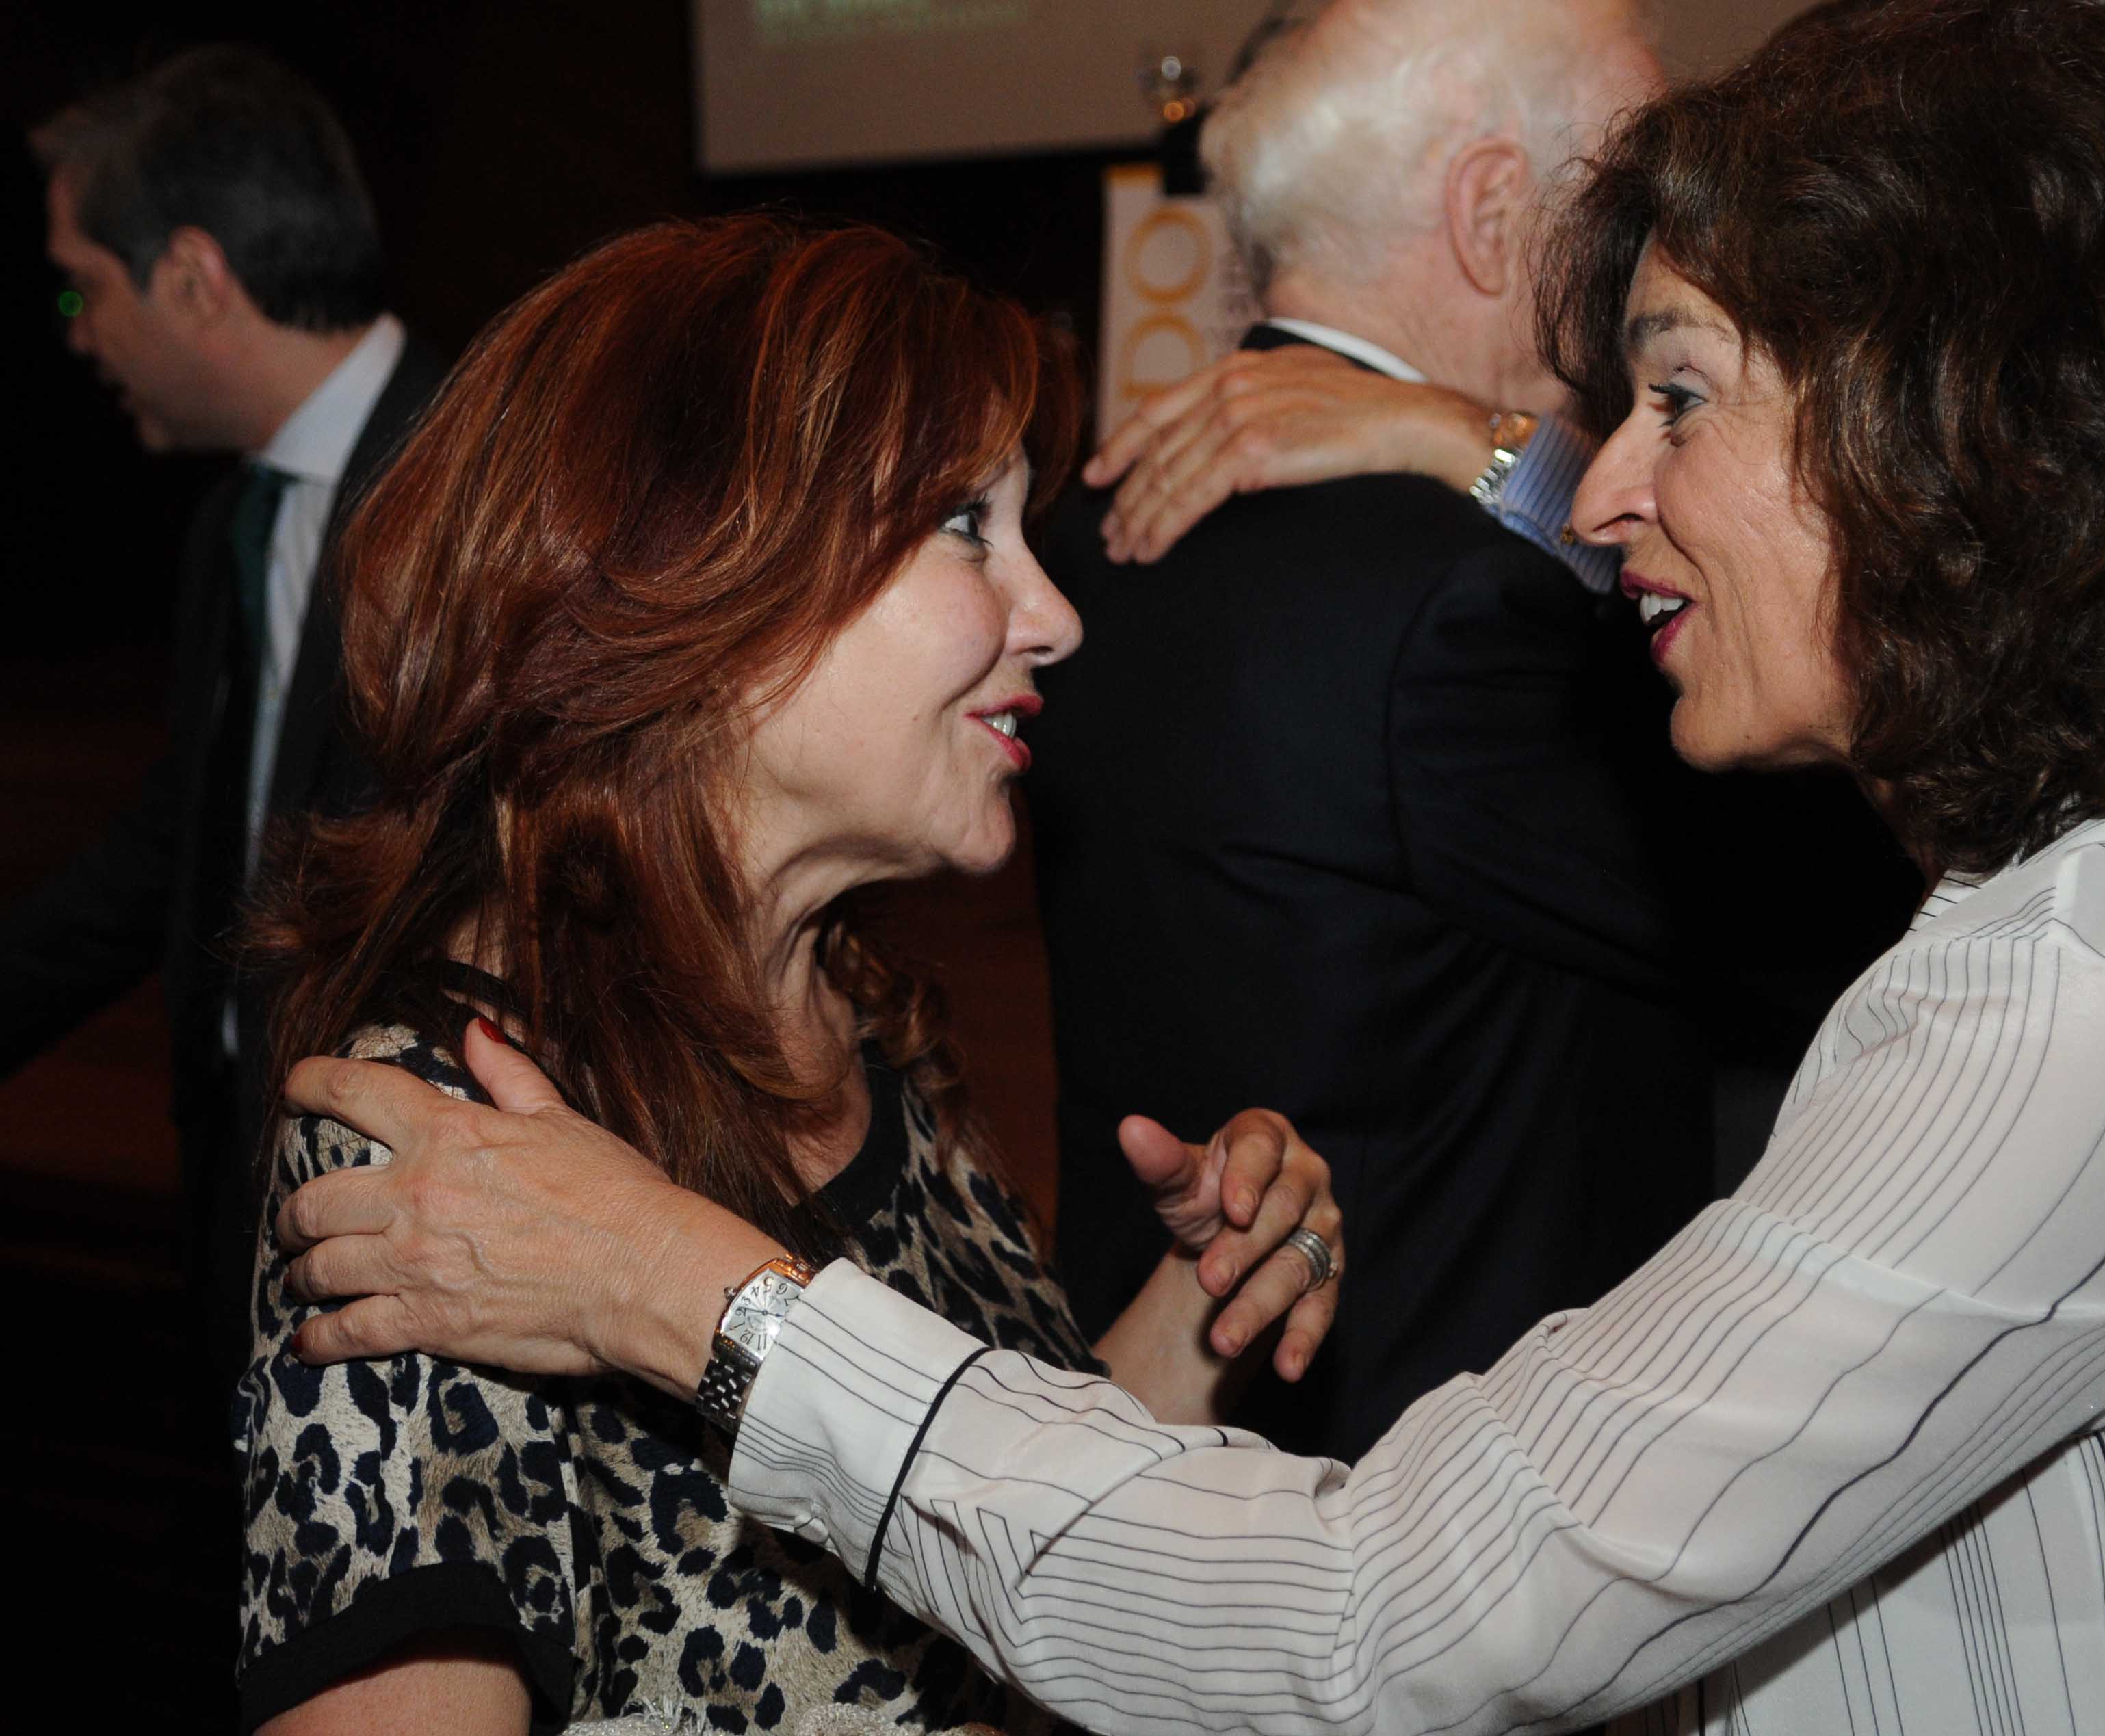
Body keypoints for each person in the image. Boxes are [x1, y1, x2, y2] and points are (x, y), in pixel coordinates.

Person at [273, 0, 2105, 1728]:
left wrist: (699, 1297)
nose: (1605, 489)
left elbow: (1386, 1605)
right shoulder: (477, 1116)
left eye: (1677, 398)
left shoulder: (2077, 989)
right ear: (702, 587)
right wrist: (1168, 1333)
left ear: (1963, 431)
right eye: (960, 528)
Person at [233, 217, 1346, 1734]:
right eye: (965, 522)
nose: (1057, 614)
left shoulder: (852, 1012)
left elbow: (985, 1537)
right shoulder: (439, 1145)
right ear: (703, 571)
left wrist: (1207, 1302)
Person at [1029, 0, 1713, 1460]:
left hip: (1159, 1417)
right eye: (1629, 197)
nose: (1660, 247)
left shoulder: (1087, 526)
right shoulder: (1465, 600)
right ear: (1492, 215)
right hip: (1450, 1479)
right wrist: (1506, 455)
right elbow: (1796, 923)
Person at [2, 47, 445, 1406]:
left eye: (83, 286)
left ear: (194, 278)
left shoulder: (484, 487)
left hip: (421, 1262)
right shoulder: (231, 523)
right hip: (250, 1223)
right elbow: (187, 844)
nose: (76, 332)